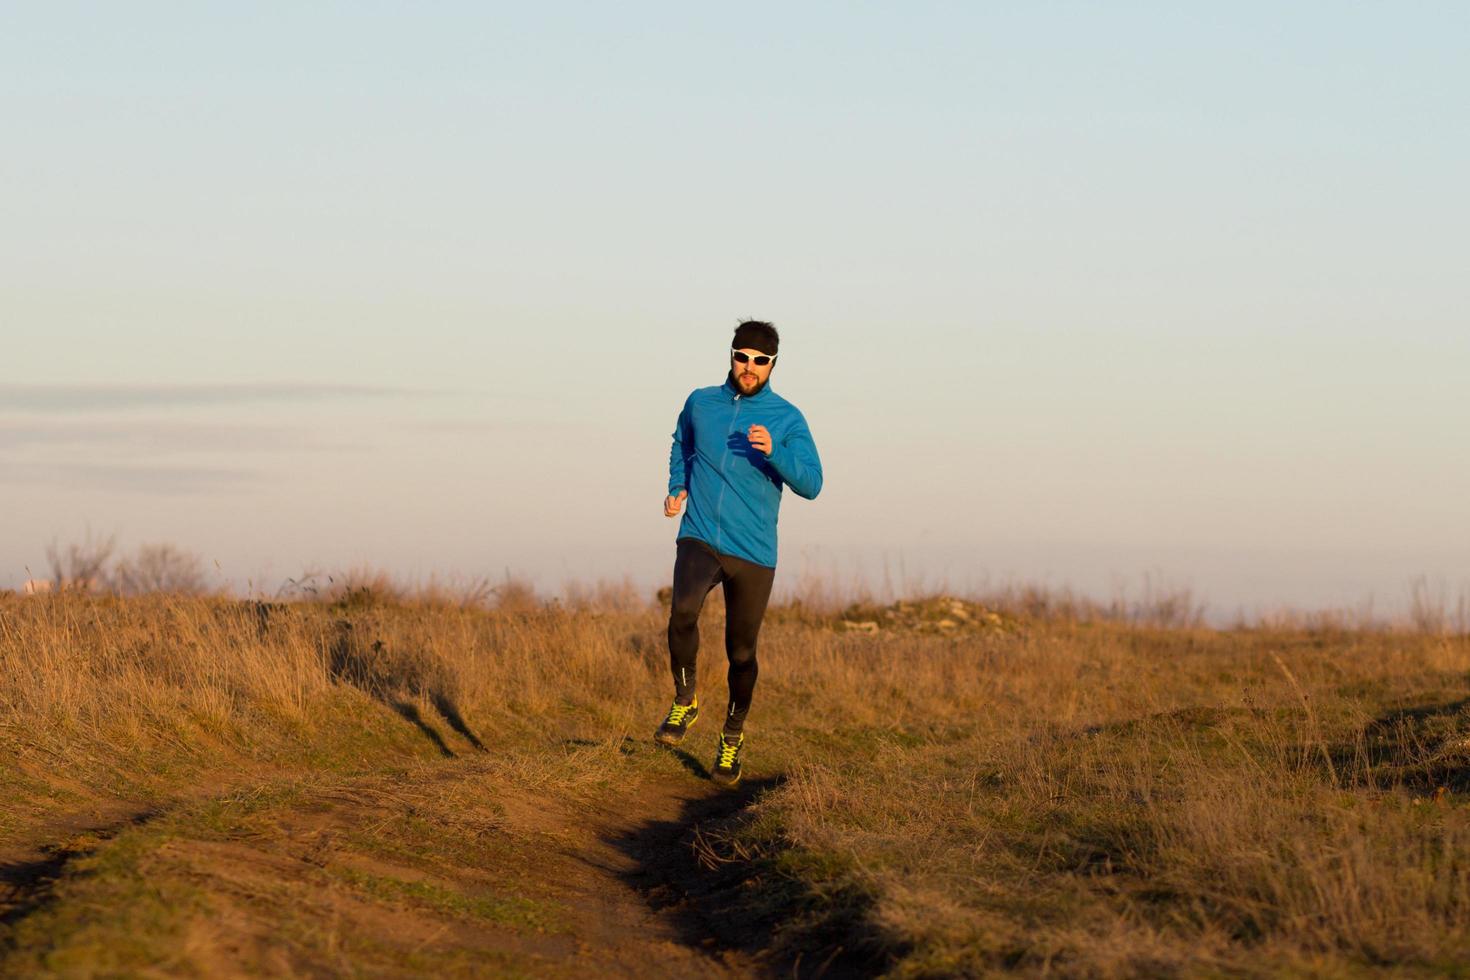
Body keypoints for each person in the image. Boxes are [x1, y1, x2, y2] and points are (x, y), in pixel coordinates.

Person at [655, 320, 824, 787]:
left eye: (760, 361)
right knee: (683, 611)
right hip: (701, 534)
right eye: (741, 356)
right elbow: (680, 444)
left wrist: (775, 453)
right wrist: (677, 486)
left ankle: (732, 737)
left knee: (741, 652)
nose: (748, 368)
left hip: (753, 552)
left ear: (773, 365)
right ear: (731, 355)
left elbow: (812, 484)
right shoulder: (700, 402)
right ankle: (685, 701)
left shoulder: (787, 418)